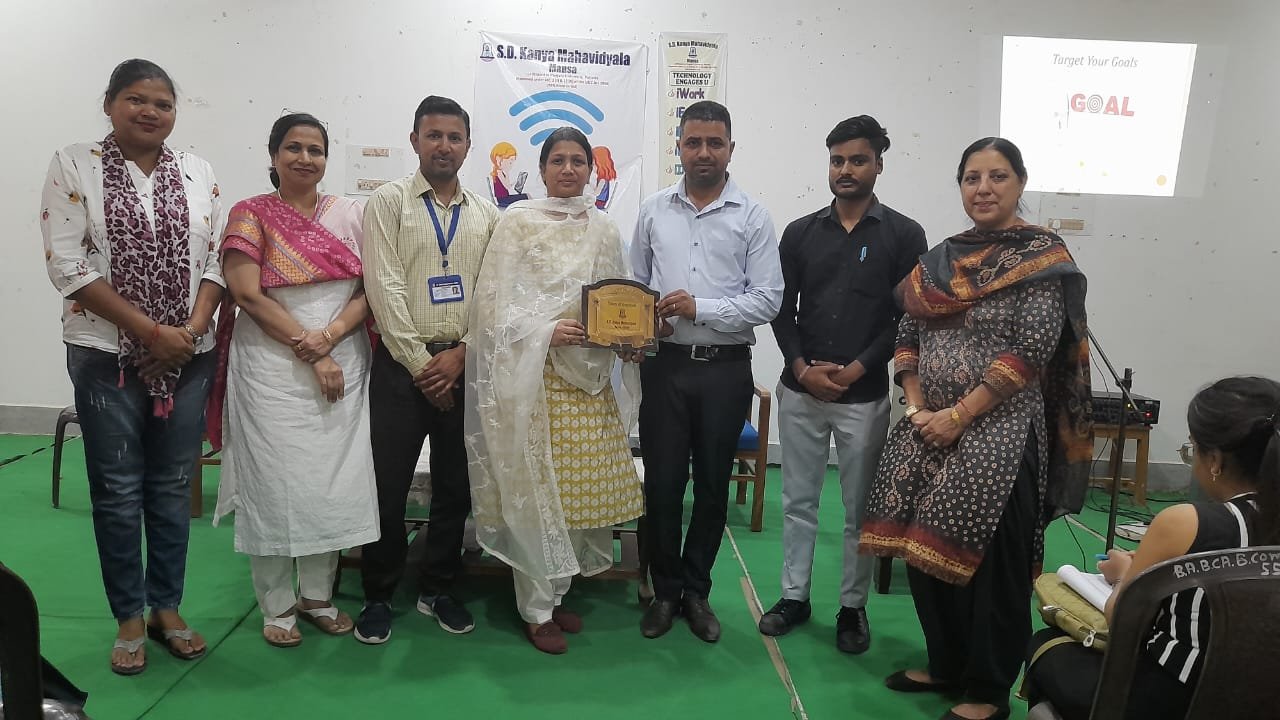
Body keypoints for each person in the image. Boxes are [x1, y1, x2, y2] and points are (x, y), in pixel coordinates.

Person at [858, 137, 1092, 720]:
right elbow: (907, 332)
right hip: (926, 429)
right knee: (923, 551)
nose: (983, 189)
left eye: (997, 176)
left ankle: (987, 690)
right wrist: (918, 407)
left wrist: (959, 415)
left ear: (1020, 183)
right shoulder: (941, 259)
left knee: (990, 564)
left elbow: (1031, 349)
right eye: (972, 178)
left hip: (1000, 434)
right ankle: (946, 663)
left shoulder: (1041, 259)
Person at [39, 59, 225, 675]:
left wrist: (188, 333)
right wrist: (152, 333)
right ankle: (127, 616)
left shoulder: (197, 171)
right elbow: (67, 265)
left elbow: (217, 260)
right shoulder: (75, 164)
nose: (150, 112)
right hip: (104, 355)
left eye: (162, 103)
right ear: (110, 104)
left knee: (172, 486)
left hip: (190, 356)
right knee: (118, 491)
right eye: (136, 100)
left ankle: (166, 607)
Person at [466, 127, 644, 654]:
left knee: (574, 497)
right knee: (535, 492)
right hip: (533, 379)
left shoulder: (603, 228)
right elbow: (491, 307)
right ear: (542, 169)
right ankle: (536, 609)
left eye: (578, 161)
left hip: (588, 382)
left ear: (591, 169)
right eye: (558, 160)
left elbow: (619, 299)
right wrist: (545, 331)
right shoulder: (517, 221)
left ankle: (559, 590)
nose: (568, 169)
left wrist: (630, 338)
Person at [209, 112, 378, 647]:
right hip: (271, 365)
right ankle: (276, 604)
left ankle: (318, 596)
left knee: (332, 482)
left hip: (343, 355)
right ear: (274, 155)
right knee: (274, 481)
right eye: (294, 148)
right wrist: (312, 349)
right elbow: (247, 294)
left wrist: (330, 338)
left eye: (315, 150)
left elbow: (372, 289)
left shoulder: (351, 214)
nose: (305, 158)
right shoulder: (250, 214)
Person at [761, 116, 927, 654]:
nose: (846, 170)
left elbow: (905, 317)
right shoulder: (800, 233)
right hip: (801, 389)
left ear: (879, 163)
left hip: (863, 395)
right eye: (837, 161)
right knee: (797, 501)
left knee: (859, 510)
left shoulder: (904, 235)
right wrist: (800, 367)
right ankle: (794, 597)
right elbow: (781, 309)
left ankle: (853, 608)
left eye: (858, 160)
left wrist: (858, 368)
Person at [1024, 376, 1280, 720]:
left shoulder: (1186, 522)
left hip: (1179, 699)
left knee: (1046, 646)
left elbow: (1122, 620)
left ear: (1215, 461)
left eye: (1191, 449)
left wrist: (1126, 574)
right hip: (1264, 698)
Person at [631, 100, 784, 643]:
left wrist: (701, 308)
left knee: (713, 486)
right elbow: (635, 285)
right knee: (663, 485)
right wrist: (645, 321)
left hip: (725, 370)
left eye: (714, 143)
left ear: (730, 149)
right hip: (665, 368)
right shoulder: (653, 210)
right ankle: (665, 591)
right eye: (693, 142)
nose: (703, 152)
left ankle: (697, 591)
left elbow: (768, 299)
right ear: (679, 146)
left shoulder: (753, 217)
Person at [356, 95, 499, 644]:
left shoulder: (486, 214)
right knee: (387, 486)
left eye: (454, 137)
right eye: (433, 135)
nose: (444, 145)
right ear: (414, 140)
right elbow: (383, 287)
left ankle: (438, 587)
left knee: (455, 487)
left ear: (468, 145)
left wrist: (461, 354)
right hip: (400, 368)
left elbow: (492, 293)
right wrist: (422, 366)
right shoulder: (388, 202)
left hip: (464, 366)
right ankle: (378, 593)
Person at [489, 141, 528, 208]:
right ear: (498, 159)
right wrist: (507, 173)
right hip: (503, 200)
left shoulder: (500, 172)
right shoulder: (499, 172)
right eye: (510, 162)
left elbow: (507, 185)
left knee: (526, 196)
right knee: (527, 196)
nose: (511, 165)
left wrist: (516, 182)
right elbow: (507, 187)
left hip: (505, 198)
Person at [590, 146, 617, 210]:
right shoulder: (600, 178)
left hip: (598, 202)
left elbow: (597, 193)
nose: (592, 167)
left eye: (594, 164)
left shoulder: (602, 180)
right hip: (598, 201)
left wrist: (588, 195)